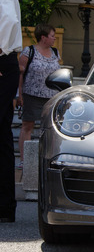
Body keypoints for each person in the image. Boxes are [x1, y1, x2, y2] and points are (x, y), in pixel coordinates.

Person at [17, 24, 61, 166]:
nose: (54, 38)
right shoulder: (28, 52)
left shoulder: (55, 52)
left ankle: (49, 159)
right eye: (52, 36)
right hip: (32, 95)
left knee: (50, 128)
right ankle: (25, 160)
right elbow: (20, 74)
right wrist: (19, 95)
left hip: (51, 96)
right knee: (27, 126)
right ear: (43, 37)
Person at [0, 0, 23, 223]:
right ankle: (4, 206)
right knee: (3, 137)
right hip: (4, 63)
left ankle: (5, 205)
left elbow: (8, 23)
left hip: (2, 62)